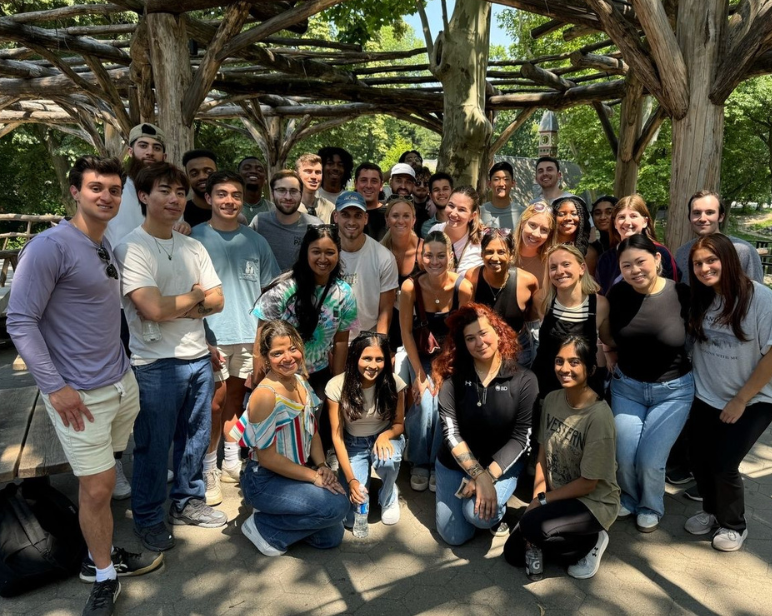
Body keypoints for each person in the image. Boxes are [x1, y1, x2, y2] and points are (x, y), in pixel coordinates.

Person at [7, 156, 163, 616]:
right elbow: (20, 321)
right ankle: (101, 573)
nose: (107, 196)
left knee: (105, 478)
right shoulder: (49, 246)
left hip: (119, 383)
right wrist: (54, 387)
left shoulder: (102, 242)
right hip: (80, 396)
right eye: (96, 187)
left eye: (115, 189)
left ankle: (101, 554)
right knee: (96, 489)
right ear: (75, 191)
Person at [115, 162, 227, 553]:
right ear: (144, 196)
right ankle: (147, 517)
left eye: (180, 192)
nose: (175, 199)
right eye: (165, 191)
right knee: (152, 445)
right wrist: (195, 297)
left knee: (194, 439)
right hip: (155, 364)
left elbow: (219, 299)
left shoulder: (192, 246)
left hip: (197, 357)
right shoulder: (130, 247)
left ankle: (187, 501)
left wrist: (183, 304)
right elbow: (152, 309)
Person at [190, 170, 280, 506]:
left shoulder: (255, 241)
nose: (229, 201)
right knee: (213, 404)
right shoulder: (193, 238)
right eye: (222, 194)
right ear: (209, 198)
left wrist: (261, 342)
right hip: (209, 336)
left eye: (236, 195)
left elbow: (269, 294)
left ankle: (231, 458)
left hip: (248, 334)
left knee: (236, 399)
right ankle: (208, 467)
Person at [504, 335, 620, 581]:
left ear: (589, 369)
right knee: (512, 554)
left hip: (592, 502)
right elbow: (542, 454)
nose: (564, 369)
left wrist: (543, 502)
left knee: (535, 528)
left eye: (574, 362)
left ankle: (594, 539)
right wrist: (537, 498)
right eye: (559, 361)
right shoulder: (553, 399)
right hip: (559, 496)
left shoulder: (599, 417)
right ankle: (552, 533)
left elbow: (589, 483)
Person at [599, 234, 693, 534]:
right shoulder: (618, 295)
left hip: (673, 392)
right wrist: (610, 353)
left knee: (650, 460)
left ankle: (651, 505)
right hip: (628, 387)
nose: (634, 270)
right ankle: (629, 496)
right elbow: (607, 332)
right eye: (626, 265)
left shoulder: (682, 293)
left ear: (657, 260)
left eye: (641, 261)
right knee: (624, 455)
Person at [683, 234, 772, 551]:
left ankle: (734, 524)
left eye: (711, 260)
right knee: (699, 459)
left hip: (753, 400)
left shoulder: (760, 298)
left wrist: (741, 399)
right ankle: (711, 511)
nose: (705, 268)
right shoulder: (704, 297)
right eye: (698, 263)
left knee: (724, 463)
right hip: (706, 395)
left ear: (728, 260)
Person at [233, 320, 349, 556]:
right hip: (264, 481)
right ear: (266, 358)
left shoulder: (301, 382)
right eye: (277, 353)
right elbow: (267, 459)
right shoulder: (266, 395)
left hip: (295, 473)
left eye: (292, 348)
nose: (287, 357)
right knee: (336, 506)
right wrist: (315, 478)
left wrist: (322, 465)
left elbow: (313, 430)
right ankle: (263, 526)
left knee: (332, 536)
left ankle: (278, 516)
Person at [433, 303, 535, 544]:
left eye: (483, 333)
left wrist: (488, 475)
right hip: (454, 463)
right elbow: (451, 434)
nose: (479, 343)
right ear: (464, 344)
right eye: (470, 338)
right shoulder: (453, 379)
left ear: (498, 333)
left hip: (500, 465)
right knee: (455, 536)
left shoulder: (524, 379)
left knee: (478, 515)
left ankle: (493, 509)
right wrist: (479, 476)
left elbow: (522, 437)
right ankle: (457, 495)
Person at [399, 231, 473, 491]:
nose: (434, 261)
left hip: (451, 355)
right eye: (428, 255)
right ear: (421, 257)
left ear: (450, 257)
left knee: (442, 401)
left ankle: (437, 460)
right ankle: (419, 460)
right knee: (424, 401)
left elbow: (464, 333)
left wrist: (442, 371)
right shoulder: (410, 287)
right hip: (419, 355)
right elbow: (406, 332)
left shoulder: (462, 287)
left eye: (440, 255)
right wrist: (420, 376)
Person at [252, 225, 355, 401]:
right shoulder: (283, 290)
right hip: (280, 375)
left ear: (338, 254)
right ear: (305, 253)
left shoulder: (344, 294)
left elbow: (341, 341)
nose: (323, 258)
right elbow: (261, 340)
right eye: (316, 252)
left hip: (319, 376)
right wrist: (258, 383)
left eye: (330, 252)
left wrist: (336, 385)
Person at [327, 332, 407, 527]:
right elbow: (337, 437)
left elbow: (399, 425)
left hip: (384, 438)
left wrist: (385, 435)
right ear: (355, 358)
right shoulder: (337, 385)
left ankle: (388, 495)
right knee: (350, 520)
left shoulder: (394, 383)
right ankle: (363, 482)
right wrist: (352, 480)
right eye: (367, 358)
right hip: (353, 443)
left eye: (379, 359)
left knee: (387, 461)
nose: (373, 365)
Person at [531, 245, 609, 403]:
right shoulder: (542, 300)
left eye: (566, 264)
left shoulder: (599, 305)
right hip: (546, 388)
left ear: (582, 268)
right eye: (553, 267)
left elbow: (609, 341)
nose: (559, 271)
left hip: (584, 391)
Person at [465, 229, 539, 367]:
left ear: (511, 255)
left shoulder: (527, 281)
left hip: (518, 351)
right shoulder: (472, 277)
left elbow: (533, 322)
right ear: (481, 254)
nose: (495, 258)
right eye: (489, 252)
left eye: (501, 252)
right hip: (483, 348)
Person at [336, 190, 399, 341]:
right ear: (335, 217)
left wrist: (378, 346)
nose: (351, 222)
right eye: (345, 215)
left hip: (367, 338)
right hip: (329, 338)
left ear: (366, 218)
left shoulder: (383, 257)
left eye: (357, 215)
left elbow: (385, 311)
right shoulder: (324, 254)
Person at [595, 194, 679, 295]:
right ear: (615, 224)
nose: (627, 222)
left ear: (645, 221)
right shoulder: (606, 258)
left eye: (633, 216)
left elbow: (674, 290)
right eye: (621, 217)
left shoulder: (660, 252)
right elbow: (602, 294)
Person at [675, 190, 763, 285]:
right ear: (689, 217)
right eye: (696, 213)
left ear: (721, 217)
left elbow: (757, 294)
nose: (703, 219)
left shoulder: (743, 251)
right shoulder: (682, 253)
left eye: (709, 212)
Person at [250, 170, 323, 271]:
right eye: (281, 190)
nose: (288, 197)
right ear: (272, 193)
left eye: (293, 191)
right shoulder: (259, 222)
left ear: (301, 194)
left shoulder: (316, 225)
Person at [381, 196, 423, 352]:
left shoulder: (425, 251)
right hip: (389, 324)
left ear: (413, 220)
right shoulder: (379, 252)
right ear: (387, 220)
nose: (401, 220)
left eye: (406, 216)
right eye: (395, 215)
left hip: (418, 325)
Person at [427, 186, 484, 277]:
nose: (453, 213)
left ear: (472, 216)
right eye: (451, 205)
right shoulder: (435, 231)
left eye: (462, 210)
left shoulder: (482, 239)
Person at [513, 200, 556, 286]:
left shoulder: (551, 262)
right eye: (532, 225)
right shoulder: (503, 252)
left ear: (549, 234)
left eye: (544, 230)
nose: (536, 234)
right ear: (522, 223)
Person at [552, 195, 598, 274]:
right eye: (562, 214)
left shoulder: (589, 253)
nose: (568, 218)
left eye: (574, 214)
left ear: (582, 218)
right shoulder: (543, 248)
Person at [480, 161, 525, 230]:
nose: (501, 184)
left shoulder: (522, 214)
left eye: (506, 179)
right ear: (489, 184)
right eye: (496, 179)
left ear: (513, 183)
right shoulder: (479, 213)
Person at [182, 149, 217, 227]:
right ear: (187, 178)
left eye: (208, 172)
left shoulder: (229, 210)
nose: (202, 177)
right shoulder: (180, 214)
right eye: (194, 174)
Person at [296, 153, 335, 222]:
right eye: (308, 171)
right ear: (297, 174)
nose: (313, 177)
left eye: (318, 172)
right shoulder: (289, 206)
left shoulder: (329, 208)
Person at [354, 162, 387, 241]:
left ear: (381, 185)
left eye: (374, 181)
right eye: (364, 180)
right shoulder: (344, 214)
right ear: (355, 183)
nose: (369, 185)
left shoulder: (390, 215)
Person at [237, 157, 274, 221]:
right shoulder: (230, 206)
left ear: (265, 179)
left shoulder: (273, 210)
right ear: (237, 176)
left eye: (259, 170)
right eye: (247, 168)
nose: (253, 171)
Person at [421, 172, 454, 238]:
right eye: (436, 190)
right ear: (430, 195)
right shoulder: (426, 227)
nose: (441, 193)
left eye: (445, 189)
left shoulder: (463, 220)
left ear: (452, 192)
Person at [412, 166, 433, 234]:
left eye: (426, 183)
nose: (422, 186)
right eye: (417, 183)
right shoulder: (406, 204)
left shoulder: (435, 205)